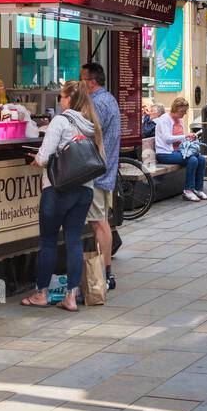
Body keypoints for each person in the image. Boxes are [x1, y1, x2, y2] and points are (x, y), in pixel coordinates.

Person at [23, 80, 104, 311]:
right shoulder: (91, 124)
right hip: (85, 190)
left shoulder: (60, 121)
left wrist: (34, 160)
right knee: (74, 241)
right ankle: (71, 296)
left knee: (48, 242)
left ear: (69, 99)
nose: (59, 100)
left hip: (58, 190)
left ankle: (41, 294)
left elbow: (44, 157)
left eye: (61, 96)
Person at [82, 62, 120, 291]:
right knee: (102, 221)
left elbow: (87, 132)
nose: (80, 84)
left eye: (82, 79)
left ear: (92, 81)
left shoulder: (96, 103)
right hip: (107, 169)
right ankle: (105, 271)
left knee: (99, 223)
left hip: (96, 172)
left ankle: (106, 273)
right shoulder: (110, 99)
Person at [155, 96, 207, 202]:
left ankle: (198, 189)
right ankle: (188, 190)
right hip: (165, 153)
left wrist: (189, 139)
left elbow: (182, 138)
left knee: (201, 159)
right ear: (178, 110)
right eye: (183, 111)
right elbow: (167, 139)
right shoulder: (165, 119)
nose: (185, 114)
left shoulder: (180, 120)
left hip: (179, 151)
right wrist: (185, 136)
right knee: (192, 160)